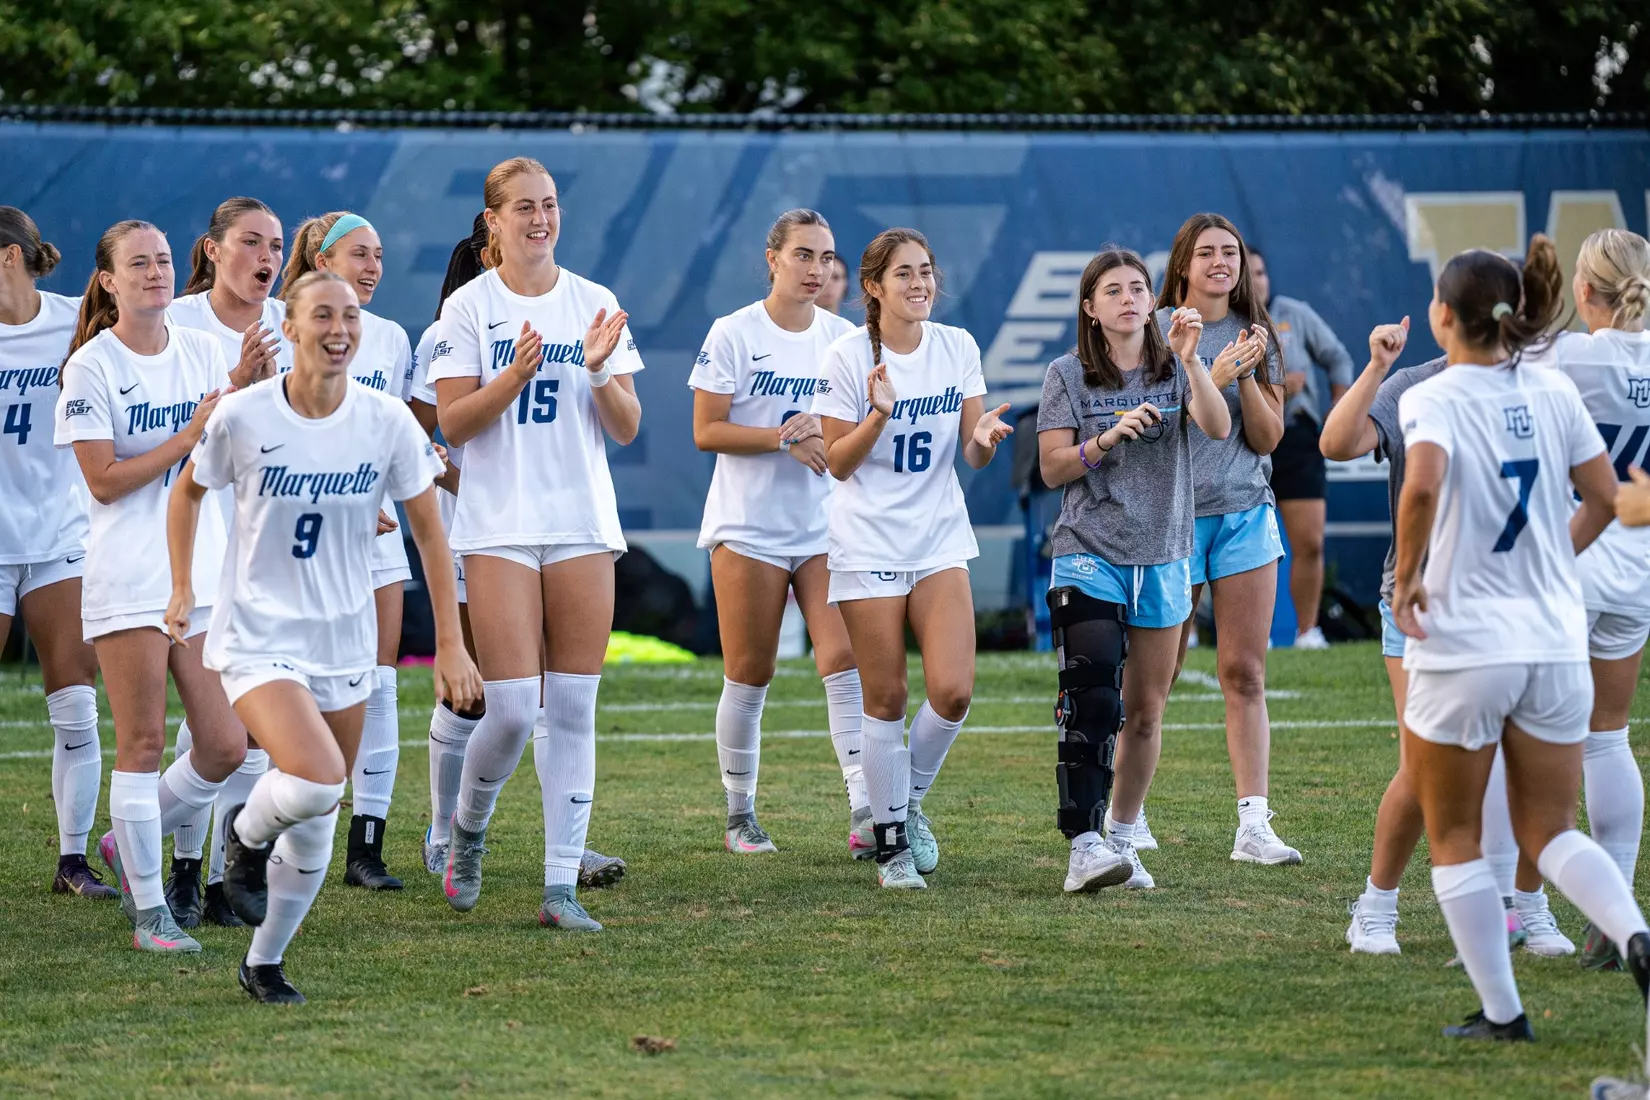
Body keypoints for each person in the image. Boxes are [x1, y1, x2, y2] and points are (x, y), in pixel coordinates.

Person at [166, 269, 481, 1003]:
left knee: (314, 812)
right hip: (257, 633)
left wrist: (454, 644)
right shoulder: (244, 415)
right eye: (322, 316)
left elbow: (430, 532)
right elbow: (186, 492)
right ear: (294, 327)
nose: (339, 329)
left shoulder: (386, 421)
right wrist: (183, 584)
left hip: (344, 634)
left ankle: (264, 960)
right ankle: (241, 836)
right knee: (315, 779)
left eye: (350, 316)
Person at [1391, 243, 1650, 1041]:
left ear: (1443, 316)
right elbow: (1608, 499)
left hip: (1469, 639)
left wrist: (1406, 581)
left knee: (1457, 835)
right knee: (1551, 828)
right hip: (1554, 636)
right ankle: (1635, 931)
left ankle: (1505, 1014)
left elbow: (1425, 481)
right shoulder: (1550, 384)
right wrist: (1544, 560)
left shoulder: (1437, 393)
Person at [1322, 243, 1562, 955]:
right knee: (1425, 770)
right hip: (1423, 604)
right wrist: (1375, 368)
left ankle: (1526, 909)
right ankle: (1377, 905)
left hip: (1517, 606)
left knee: (1529, 768)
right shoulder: (1419, 388)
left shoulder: (1542, 385)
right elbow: (1338, 444)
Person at [429, 157, 643, 932]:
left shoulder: (594, 302)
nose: (539, 218)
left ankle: (560, 889)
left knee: (576, 708)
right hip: (499, 525)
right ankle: (468, 833)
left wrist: (595, 371)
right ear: (493, 220)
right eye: (523, 207)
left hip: (582, 524)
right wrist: (511, 378)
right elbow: (449, 425)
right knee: (514, 711)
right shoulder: (467, 310)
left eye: (548, 204)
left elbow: (626, 426)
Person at [54, 219, 258, 952]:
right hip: (129, 576)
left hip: (199, 576)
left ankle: (127, 839)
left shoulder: (205, 350)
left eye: (164, 260)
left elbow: (235, 450)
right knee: (140, 743)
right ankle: (151, 917)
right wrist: (188, 434)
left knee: (227, 745)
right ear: (108, 281)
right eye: (137, 264)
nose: (155, 273)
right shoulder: (91, 365)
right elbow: (104, 481)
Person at [812, 227, 1012, 889]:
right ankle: (892, 845)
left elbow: (975, 449)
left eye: (926, 271)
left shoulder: (957, 346)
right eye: (904, 274)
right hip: (866, 541)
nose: (920, 283)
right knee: (887, 697)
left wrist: (982, 437)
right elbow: (837, 464)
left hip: (938, 539)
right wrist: (876, 416)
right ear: (873, 287)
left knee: (954, 690)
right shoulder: (846, 356)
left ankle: (907, 804)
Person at [1036, 247, 1231, 893]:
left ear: (1154, 302)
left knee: (1145, 712)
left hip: (1167, 555)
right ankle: (1083, 841)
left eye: (1138, 288)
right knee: (1093, 698)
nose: (1128, 298)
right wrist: (1106, 439)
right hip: (1088, 550)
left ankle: (1122, 837)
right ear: (1090, 308)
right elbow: (1053, 468)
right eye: (1112, 290)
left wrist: (1193, 360)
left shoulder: (1176, 364)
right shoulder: (1066, 374)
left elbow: (1217, 422)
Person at [690, 209, 865, 855]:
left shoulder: (846, 337)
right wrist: (783, 435)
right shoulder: (733, 332)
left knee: (844, 662)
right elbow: (706, 430)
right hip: (749, 528)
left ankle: (867, 809)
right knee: (750, 671)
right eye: (803, 255)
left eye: (825, 257)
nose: (816, 269)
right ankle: (740, 815)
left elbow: (854, 431)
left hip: (826, 528)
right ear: (772, 258)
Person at [1157, 213, 1301, 866]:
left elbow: (1267, 439)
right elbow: (1158, 427)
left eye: (1231, 253)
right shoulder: (1157, 329)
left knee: (1244, 672)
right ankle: (1123, 817)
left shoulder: (1260, 334)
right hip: (1173, 520)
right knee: (1158, 677)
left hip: (1246, 514)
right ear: (1184, 264)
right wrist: (1208, 371)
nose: (1221, 263)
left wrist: (1244, 371)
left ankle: (1254, 825)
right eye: (1208, 253)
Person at [278, 210, 415, 890]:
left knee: (378, 681)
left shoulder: (389, 338)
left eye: (380, 255)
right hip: (300, 538)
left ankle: (366, 847)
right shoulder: (282, 329)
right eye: (360, 252)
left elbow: (397, 439)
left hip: (376, 537)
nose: (373, 266)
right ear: (323, 260)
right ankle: (268, 837)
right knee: (286, 682)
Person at [165, 195, 288, 926]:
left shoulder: (290, 329)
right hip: (193, 539)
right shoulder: (175, 325)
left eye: (274, 244)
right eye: (249, 242)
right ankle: (178, 867)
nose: (264, 257)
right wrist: (236, 383)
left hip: (264, 543)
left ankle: (221, 879)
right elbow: (178, 443)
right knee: (208, 719)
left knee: (249, 720)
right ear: (212, 249)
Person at [1530, 228, 1650, 970]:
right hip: (1639, 563)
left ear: (1585, 291)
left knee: (1538, 745)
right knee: (1610, 735)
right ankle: (1620, 917)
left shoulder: (1567, 355)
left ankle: (1529, 912)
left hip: (1569, 554)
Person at [0, 207, 110, 900]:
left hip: (62, 535)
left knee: (76, 703)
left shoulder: (76, 322)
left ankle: (73, 862)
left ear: (9, 259)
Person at [1249, 247, 1354, 649]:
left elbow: (1338, 358)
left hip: (1296, 436)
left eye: (1262, 271)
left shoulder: (1295, 314)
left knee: (1309, 541)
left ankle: (1308, 631)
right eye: (1250, 272)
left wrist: (1337, 414)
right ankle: (1241, 632)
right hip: (1245, 441)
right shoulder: (1223, 319)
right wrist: (1273, 385)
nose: (1257, 280)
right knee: (1241, 548)